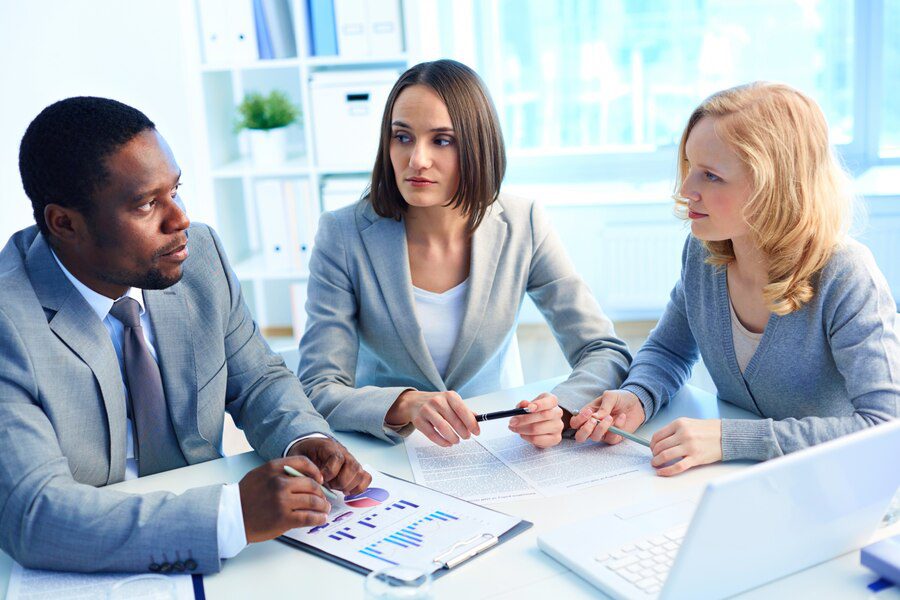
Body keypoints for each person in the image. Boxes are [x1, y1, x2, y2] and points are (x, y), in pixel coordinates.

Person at [0, 97, 371, 573]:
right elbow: (34, 515)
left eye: (176, 190)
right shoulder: (10, 322)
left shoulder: (198, 255)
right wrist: (230, 516)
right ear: (65, 223)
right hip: (92, 558)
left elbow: (258, 379)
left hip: (232, 551)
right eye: (147, 204)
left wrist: (303, 438)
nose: (179, 221)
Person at [298, 59, 631, 449]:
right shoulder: (343, 234)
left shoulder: (524, 222)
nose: (416, 159)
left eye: (442, 140)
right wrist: (404, 404)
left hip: (500, 442)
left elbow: (603, 349)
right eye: (402, 137)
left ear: (477, 146)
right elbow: (318, 386)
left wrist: (563, 409)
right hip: (390, 448)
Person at [569, 82, 900, 475]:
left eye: (710, 176)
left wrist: (730, 439)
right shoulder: (703, 254)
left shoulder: (846, 275)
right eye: (690, 167)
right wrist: (637, 396)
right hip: (746, 482)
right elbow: (668, 352)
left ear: (772, 188)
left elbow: (886, 427)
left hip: (837, 487)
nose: (686, 190)